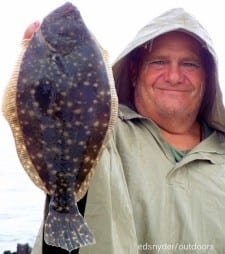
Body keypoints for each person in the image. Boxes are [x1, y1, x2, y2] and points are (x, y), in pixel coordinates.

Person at [25, 7, 225, 254]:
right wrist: (41, 74)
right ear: (133, 72)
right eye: (159, 61)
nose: (174, 76)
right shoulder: (104, 133)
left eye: (189, 64)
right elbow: (52, 116)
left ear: (208, 76)